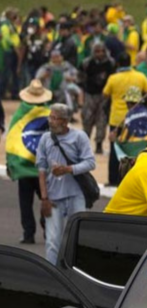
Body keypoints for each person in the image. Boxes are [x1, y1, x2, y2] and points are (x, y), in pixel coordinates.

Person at [36, 103, 96, 265]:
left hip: (76, 196)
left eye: (55, 118)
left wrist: (69, 169)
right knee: (52, 241)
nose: (51, 121)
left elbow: (90, 163)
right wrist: (44, 198)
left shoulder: (79, 137)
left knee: (77, 237)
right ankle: (52, 276)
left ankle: (75, 272)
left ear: (65, 121)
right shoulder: (45, 139)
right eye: (50, 117)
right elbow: (41, 170)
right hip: (53, 198)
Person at [7, 80, 53, 244]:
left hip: (24, 167)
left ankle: (28, 233)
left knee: (25, 203)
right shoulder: (50, 113)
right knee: (47, 198)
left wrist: (11, 164)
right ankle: (48, 228)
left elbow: (12, 141)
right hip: (44, 168)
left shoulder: (19, 115)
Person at [103, 51, 147, 185]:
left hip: (117, 118)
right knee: (135, 149)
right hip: (138, 119)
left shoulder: (113, 78)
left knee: (116, 149)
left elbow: (105, 94)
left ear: (118, 64)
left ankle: (114, 179)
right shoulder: (140, 76)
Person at [79, 41, 115, 154]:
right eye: (97, 51)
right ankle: (84, 145)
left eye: (102, 51)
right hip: (90, 95)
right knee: (87, 119)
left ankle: (99, 144)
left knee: (102, 120)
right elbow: (80, 78)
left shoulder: (110, 63)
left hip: (104, 96)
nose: (99, 54)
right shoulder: (86, 63)